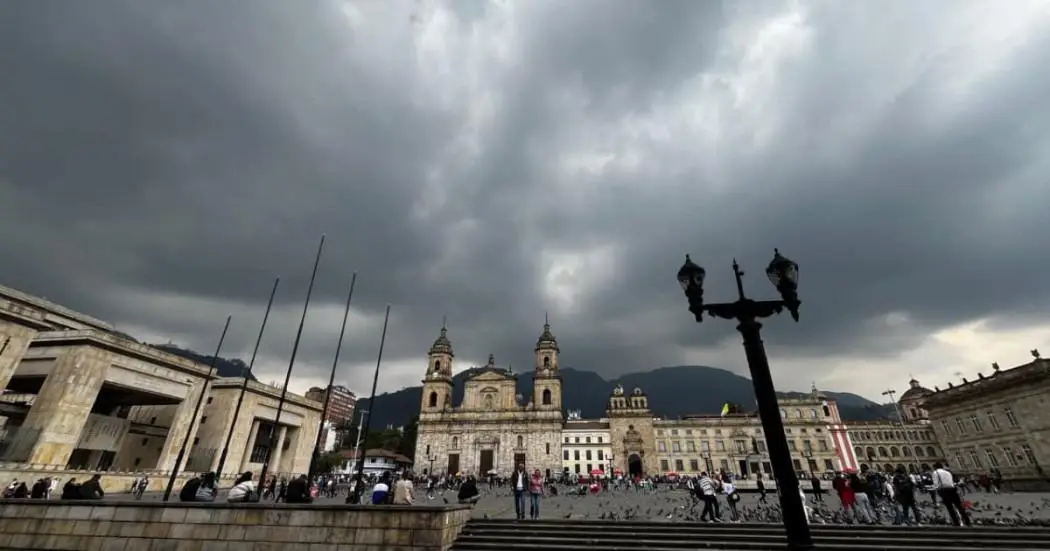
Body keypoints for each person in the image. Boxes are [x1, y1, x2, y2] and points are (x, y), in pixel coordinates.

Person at [932, 462, 970, 526]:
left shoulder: (936, 473)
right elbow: (951, 482)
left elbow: (936, 484)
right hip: (953, 489)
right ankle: (967, 521)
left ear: (935, 467)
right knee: (959, 506)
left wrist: (936, 489)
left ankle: (956, 522)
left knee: (950, 507)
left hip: (944, 491)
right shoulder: (948, 472)